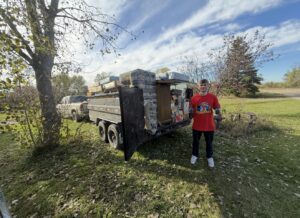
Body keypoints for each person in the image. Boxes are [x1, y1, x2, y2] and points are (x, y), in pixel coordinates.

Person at [189, 79, 221, 168]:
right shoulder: (193, 98)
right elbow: (190, 110)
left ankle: (209, 157)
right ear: (198, 86)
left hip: (209, 125)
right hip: (197, 125)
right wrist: (190, 111)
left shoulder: (213, 97)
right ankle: (194, 155)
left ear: (208, 86)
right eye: (201, 85)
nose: (203, 86)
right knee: (195, 142)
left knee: (209, 143)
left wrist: (218, 110)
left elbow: (217, 107)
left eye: (205, 85)